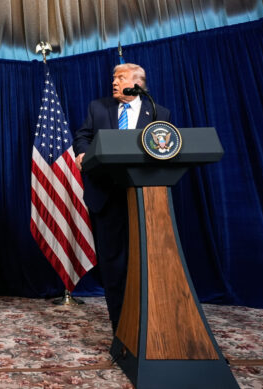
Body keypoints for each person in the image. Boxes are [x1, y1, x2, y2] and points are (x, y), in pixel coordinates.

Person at [73, 63, 171, 333]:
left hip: (146, 197)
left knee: (147, 260)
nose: (114, 82)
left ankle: (150, 321)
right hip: (106, 196)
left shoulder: (159, 113)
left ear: (137, 84)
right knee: (113, 264)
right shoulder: (98, 108)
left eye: (120, 78)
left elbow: (166, 148)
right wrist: (82, 152)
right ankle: (120, 326)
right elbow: (83, 136)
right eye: (114, 78)